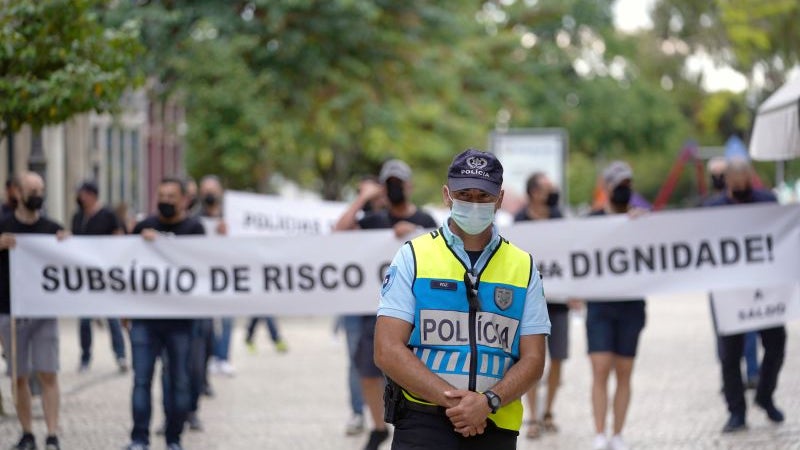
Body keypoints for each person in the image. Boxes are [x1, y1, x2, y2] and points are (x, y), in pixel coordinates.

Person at [374, 149, 550, 450]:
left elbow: (534, 359)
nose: (473, 203)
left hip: (495, 422)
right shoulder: (413, 257)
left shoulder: (523, 266)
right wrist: (458, 403)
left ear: (499, 199)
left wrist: (487, 402)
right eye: (464, 194)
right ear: (447, 195)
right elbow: (387, 350)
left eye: (483, 196)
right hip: (423, 422)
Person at [335, 159, 438, 450]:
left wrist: (415, 230)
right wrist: (364, 197)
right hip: (376, 313)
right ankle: (378, 426)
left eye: (399, 183)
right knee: (367, 370)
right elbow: (339, 231)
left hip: (417, 314)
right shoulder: (374, 220)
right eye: (389, 183)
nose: (395, 189)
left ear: (410, 186)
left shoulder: (426, 219)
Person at [703, 158, 786, 433]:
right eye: (735, 183)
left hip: (765, 291)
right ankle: (736, 411)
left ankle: (764, 394)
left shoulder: (766, 202)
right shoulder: (712, 210)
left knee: (776, 343)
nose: (741, 188)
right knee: (730, 354)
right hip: (729, 294)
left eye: (745, 183)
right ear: (726, 181)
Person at [126, 177, 205, 450]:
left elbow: (199, 262)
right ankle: (139, 438)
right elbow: (121, 266)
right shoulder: (142, 227)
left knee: (179, 384)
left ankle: (173, 438)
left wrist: (161, 243)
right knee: (141, 381)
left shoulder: (195, 229)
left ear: (184, 200)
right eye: (162, 195)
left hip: (180, 323)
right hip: (145, 320)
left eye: (172, 196)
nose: (166, 201)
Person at [0, 172, 65, 450]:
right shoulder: (3, 227)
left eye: (41, 188)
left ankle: (52, 434)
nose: (37, 194)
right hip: (9, 312)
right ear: (18, 193)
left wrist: (69, 245)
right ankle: (27, 433)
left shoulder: (53, 229)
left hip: (43, 311)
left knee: (48, 372)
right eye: (32, 189)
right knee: (19, 375)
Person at [585, 161, 647, 450]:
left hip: (631, 306)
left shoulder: (641, 222)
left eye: (628, 184)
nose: (624, 190)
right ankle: (600, 433)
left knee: (624, 371)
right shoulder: (590, 221)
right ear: (607, 188)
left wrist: (645, 225)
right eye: (619, 184)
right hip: (599, 307)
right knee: (600, 369)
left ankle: (618, 433)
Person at [513, 172, 569, 439]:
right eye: (548, 188)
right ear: (534, 192)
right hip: (529, 304)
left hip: (559, 303)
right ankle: (532, 416)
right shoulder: (519, 221)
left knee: (557, 358)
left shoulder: (560, 218)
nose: (553, 191)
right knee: (531, 358)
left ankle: (549, 412)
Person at [703, 158, 760, 390]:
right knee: (726, 335)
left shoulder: (762, 202)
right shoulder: (710, 207)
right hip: (723, 284)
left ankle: (754, 375)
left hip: (752, 281)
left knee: (751, 328)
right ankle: (732, 383)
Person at [71, 180, 128, 373]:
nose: (80, 198)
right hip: (85, 277)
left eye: (83, 194)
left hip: (106, 275)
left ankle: (120, 355)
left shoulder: (108, 215)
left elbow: (119, 238)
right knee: (85, 319)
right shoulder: (78, 217)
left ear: (92, 195)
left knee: (112, 317)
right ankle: (85, 357)